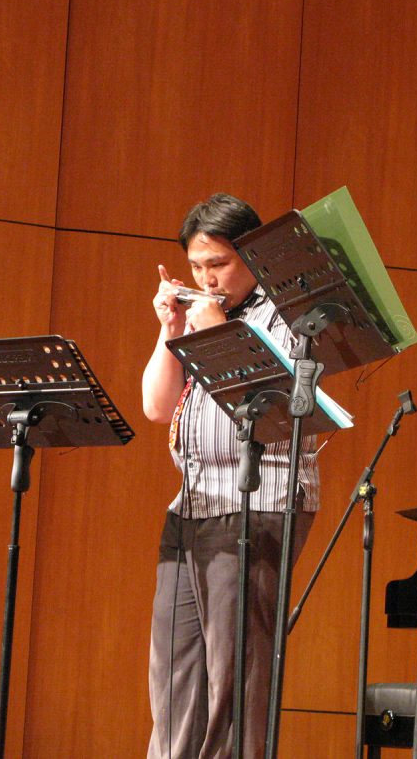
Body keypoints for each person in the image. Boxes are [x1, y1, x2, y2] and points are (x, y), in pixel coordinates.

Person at [141, 193, 318, 759]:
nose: (206, 279)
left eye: (217, 264)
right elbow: (156, 407)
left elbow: (279, 411)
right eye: (196, 267)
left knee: (236, 677)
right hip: (192, 504)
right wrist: (172, 329)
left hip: (259, 502)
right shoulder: (200, 314)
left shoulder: (290, 313)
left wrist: (218, 334)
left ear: (252, 255)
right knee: (174, 673)